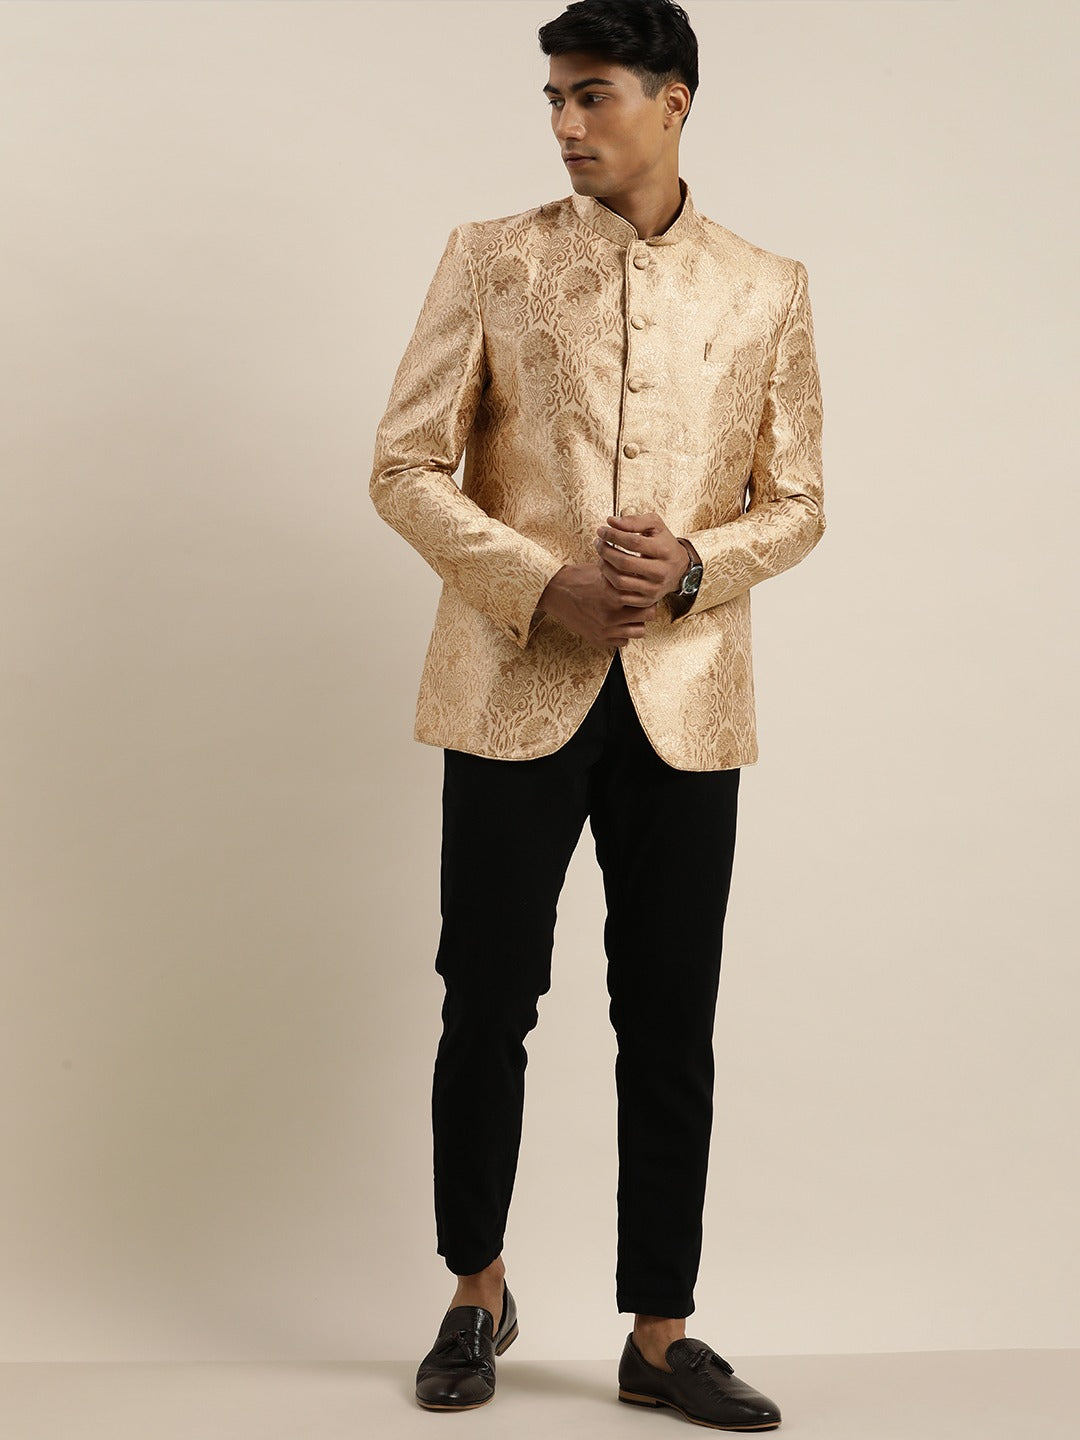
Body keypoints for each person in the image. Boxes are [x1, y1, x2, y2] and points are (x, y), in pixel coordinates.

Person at [368, 0, 824, 1427]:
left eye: (595, 94)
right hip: (512, 685)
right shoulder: (491, 258)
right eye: (555, 99)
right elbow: (403, 467)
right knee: (486, 1001)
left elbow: (799, 502)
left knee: (671, 1017)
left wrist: (694, 567)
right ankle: (475, 1291)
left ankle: (660, 1335)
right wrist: (538, 581)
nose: (567, 123)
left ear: (673, 101)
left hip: (687, 704)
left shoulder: (768, 287)